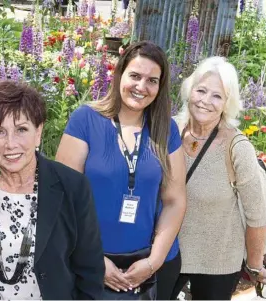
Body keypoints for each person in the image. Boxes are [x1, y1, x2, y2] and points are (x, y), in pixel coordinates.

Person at [0, 80, 105, 300]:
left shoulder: (73, 187)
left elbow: (90, 273)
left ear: (38, 132)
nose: (11, 144)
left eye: (21, 129)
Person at [56, 41, 187, 300]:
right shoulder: (86, 120)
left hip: (144, 267)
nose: (141, 87)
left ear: (160, 87)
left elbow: (175, 201)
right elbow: (63, 197)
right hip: (88, 263)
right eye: (135, 76)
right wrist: (93, 258)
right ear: (119, 75)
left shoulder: (166, 129)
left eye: (152, 80)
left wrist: (153, 262)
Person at [171, 56, 266, 300]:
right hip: (167, 255)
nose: (206, 101)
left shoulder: (237, 147)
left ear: (227, 103)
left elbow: (257, 213)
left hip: (218, 263)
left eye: (217, 96)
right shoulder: (170, 131)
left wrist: (255, 265)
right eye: (201, 90)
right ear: (189, 90)